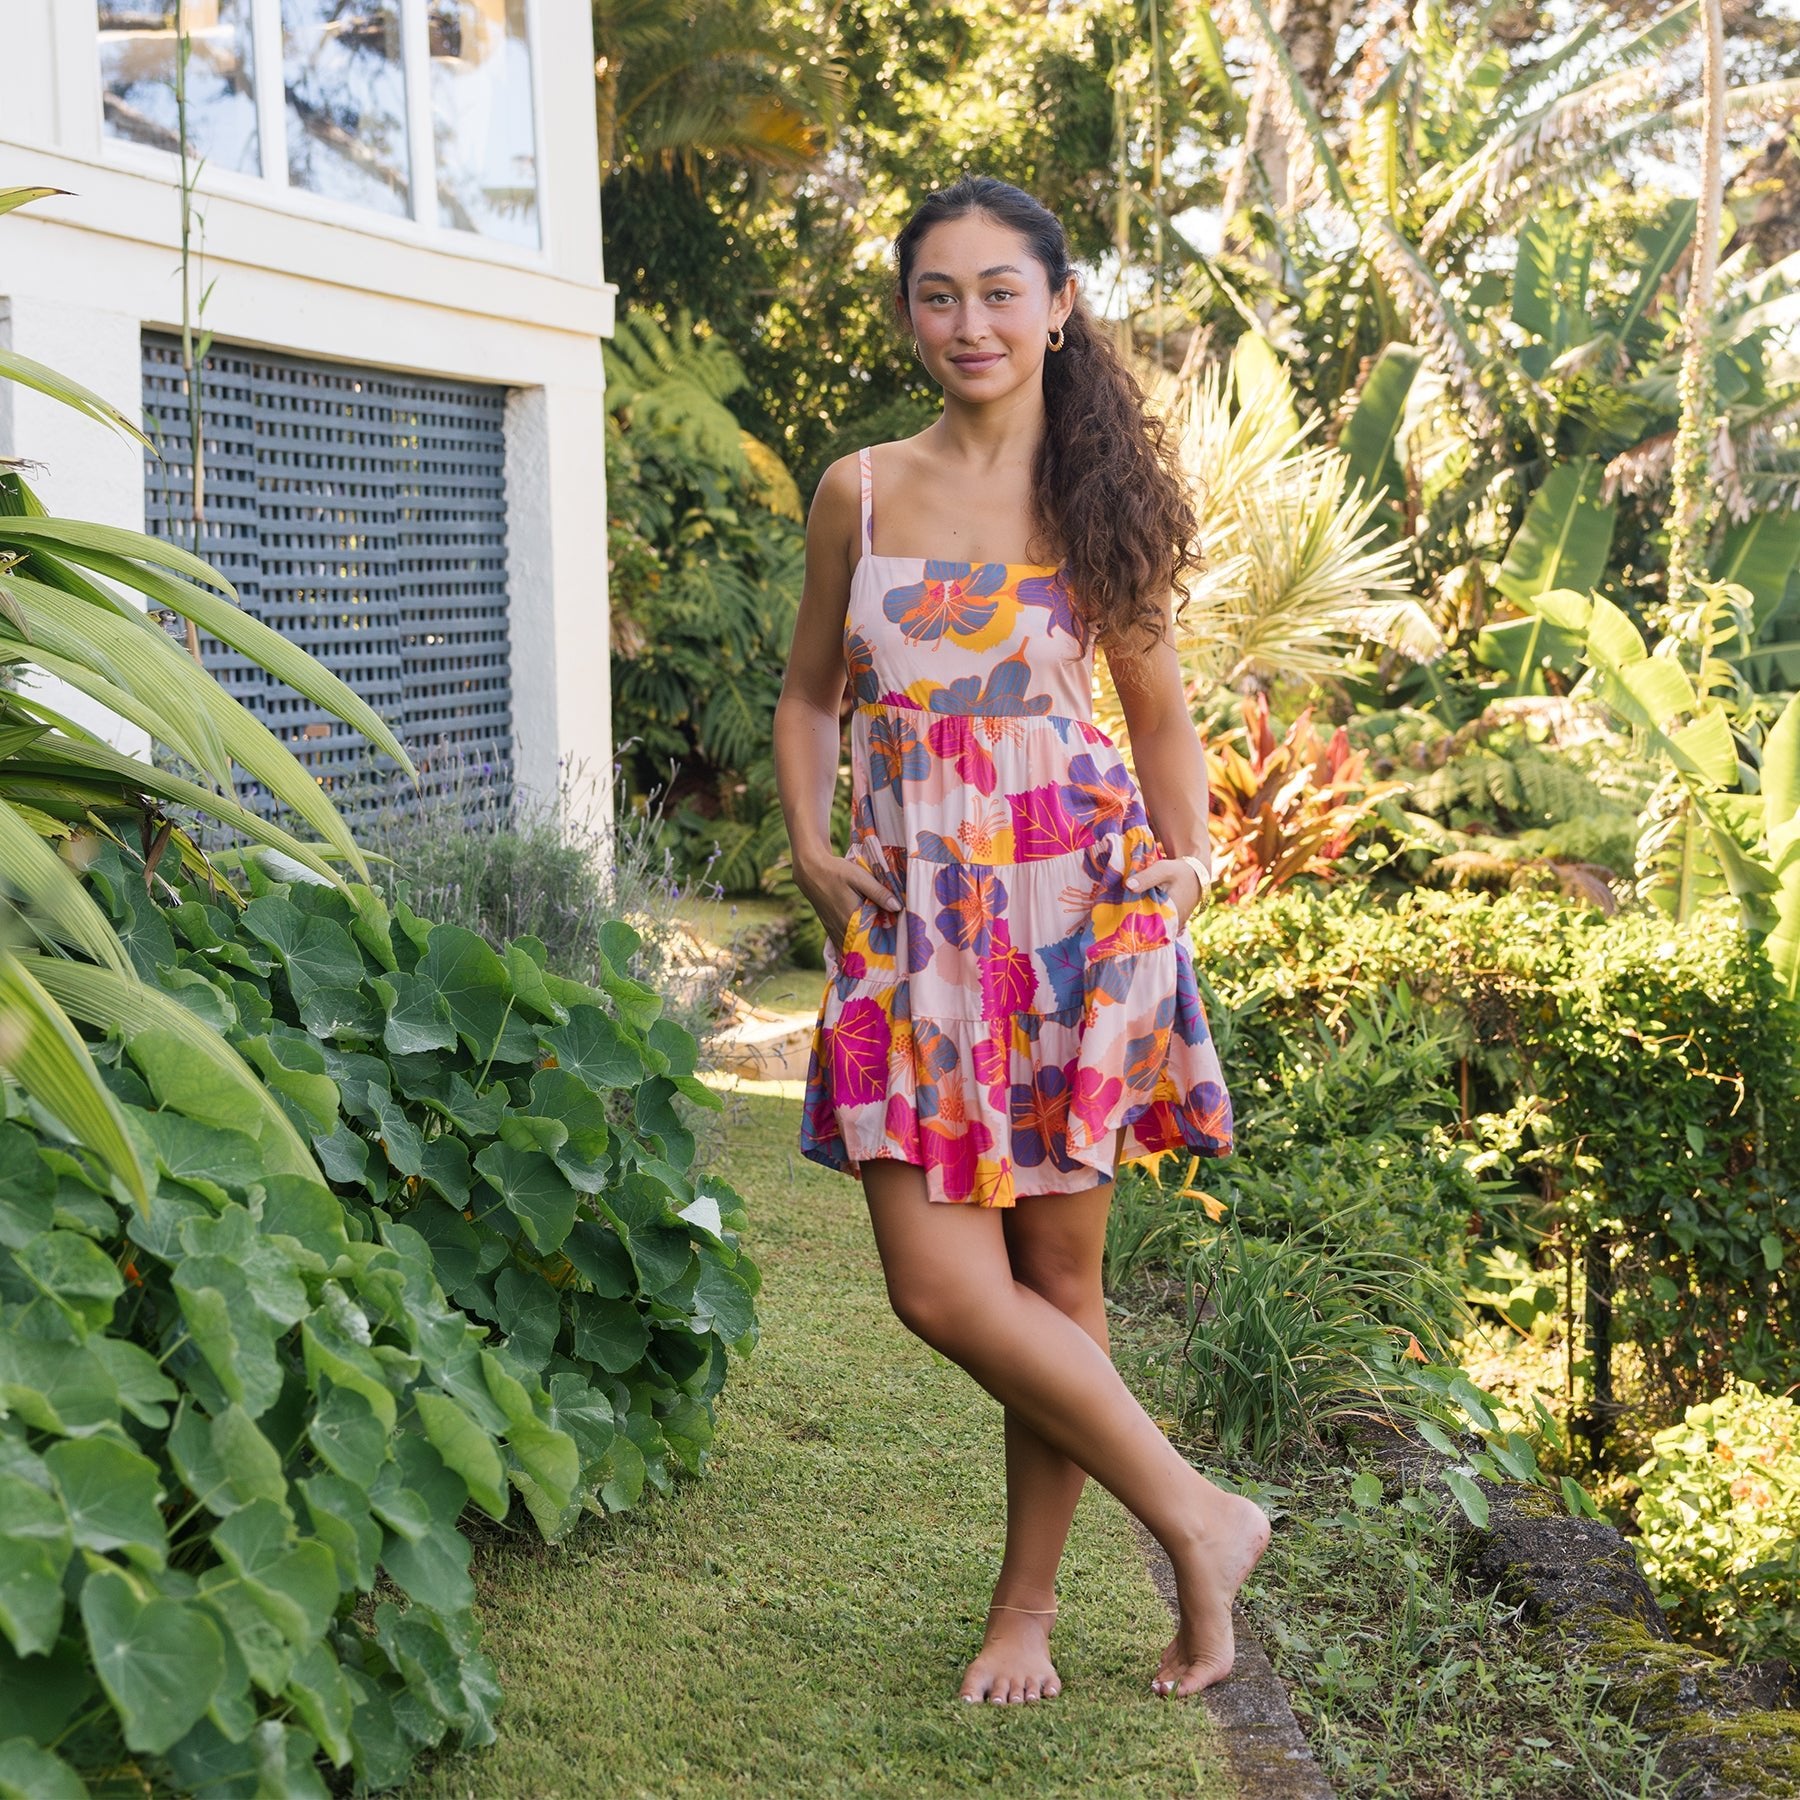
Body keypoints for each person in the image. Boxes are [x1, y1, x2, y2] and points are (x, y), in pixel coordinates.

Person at [772, 174, 1269, 1708]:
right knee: (939, 1286)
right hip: (917, 923)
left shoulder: (1098, 501)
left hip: (1078, 918)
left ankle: (1030, 1614)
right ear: (911, 313)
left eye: (1002, 291)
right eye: (939, 293)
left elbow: (1164, 717)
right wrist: (807, 838)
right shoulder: (858, 491)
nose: (970, 322)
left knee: (1059, 1291)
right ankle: (1200, 1512)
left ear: (1059, 307)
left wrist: (1182, 876)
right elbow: (809, 696)